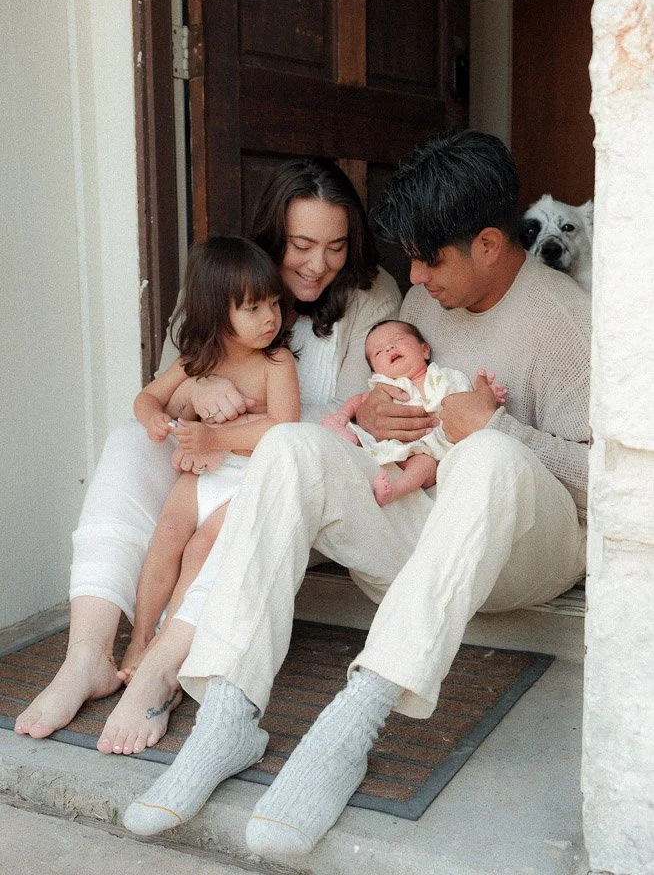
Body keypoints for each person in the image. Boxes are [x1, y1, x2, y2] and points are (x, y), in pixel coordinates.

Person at [120, 131, 590, 859]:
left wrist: (500, 428)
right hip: (423, 525)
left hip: (532, 551)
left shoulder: (565, 325)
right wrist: (370, 416)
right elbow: (388, 401)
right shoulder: (429, 303)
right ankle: (229, 710)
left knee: (490, 455)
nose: (415, 275)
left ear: (491, 244)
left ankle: (353, 724)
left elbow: (616, 483)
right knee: (289, 444)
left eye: (430, 259)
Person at [13, 157, 401, 753]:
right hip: (209, 461)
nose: (318, 265)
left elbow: (345, 421)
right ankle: (87, 654)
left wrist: (230, 429)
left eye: (336, 246)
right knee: (125, 441)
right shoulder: (224, 279)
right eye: (301, 245)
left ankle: (164, 668)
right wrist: (197, 391)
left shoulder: (371, 296)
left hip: (297, 485)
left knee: (257, 491)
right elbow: (171, 386)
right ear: (272, 238)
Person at [119, 236, 300, 681]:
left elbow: (282, 427)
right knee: (167, 538)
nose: (270, 318)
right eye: (253, 308)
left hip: (246, 478)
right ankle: (141, 639)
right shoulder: (196, 360)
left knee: (200, 549)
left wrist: (213, 437)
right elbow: (146, 399)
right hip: (202, 473)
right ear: (218, 310)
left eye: (274, 304)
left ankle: (167, 650)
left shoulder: (276, 362)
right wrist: (155, 422)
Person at [320, 319, 506, 505]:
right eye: (378, 352)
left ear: (424, 350)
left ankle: (392, 490)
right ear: (376, 373)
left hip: (431, 450)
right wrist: (342, 415)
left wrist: (487, 395)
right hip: (395, 445)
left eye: (398, 340)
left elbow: (467, 402)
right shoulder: (386, 387)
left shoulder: (444, 377)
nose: (389, 348)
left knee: (426, 466)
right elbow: (359, 400)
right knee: (367, 439)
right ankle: (352, 443)